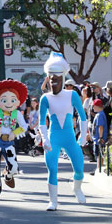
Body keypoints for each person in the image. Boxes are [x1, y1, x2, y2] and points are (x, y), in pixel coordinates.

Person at [39, 53, 88, 211]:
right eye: (51, 78)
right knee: (52, 168)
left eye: (57, 78)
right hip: (54, 138)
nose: (54, 81)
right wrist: (45, 139)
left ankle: (77, 189)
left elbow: (83, 116)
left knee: (79, 169)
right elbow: (41, 122)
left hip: (70, 138)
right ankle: (53, 201)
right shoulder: (45, 99)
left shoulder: (72, 95)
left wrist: (83, 135)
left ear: (63, 77)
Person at [0, 79, 29, 200]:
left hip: (9, 142)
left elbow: (24, 126)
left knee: (14, 166)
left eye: (12, 100)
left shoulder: (17, 114)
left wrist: (15, 132)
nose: (9, 103)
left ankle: (8, 176)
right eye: (4, 100)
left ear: (17, 102)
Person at [91, 99, 108, 172]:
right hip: (98, 138)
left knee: (99, 155)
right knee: (99, 155)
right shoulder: (100, 114)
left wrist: (100, 137)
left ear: (97, 106)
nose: (93, 108)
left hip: (99, 139)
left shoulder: (99, 115)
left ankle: (98, 169)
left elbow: (100, 126)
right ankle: (98, 169)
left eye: (94, 106)